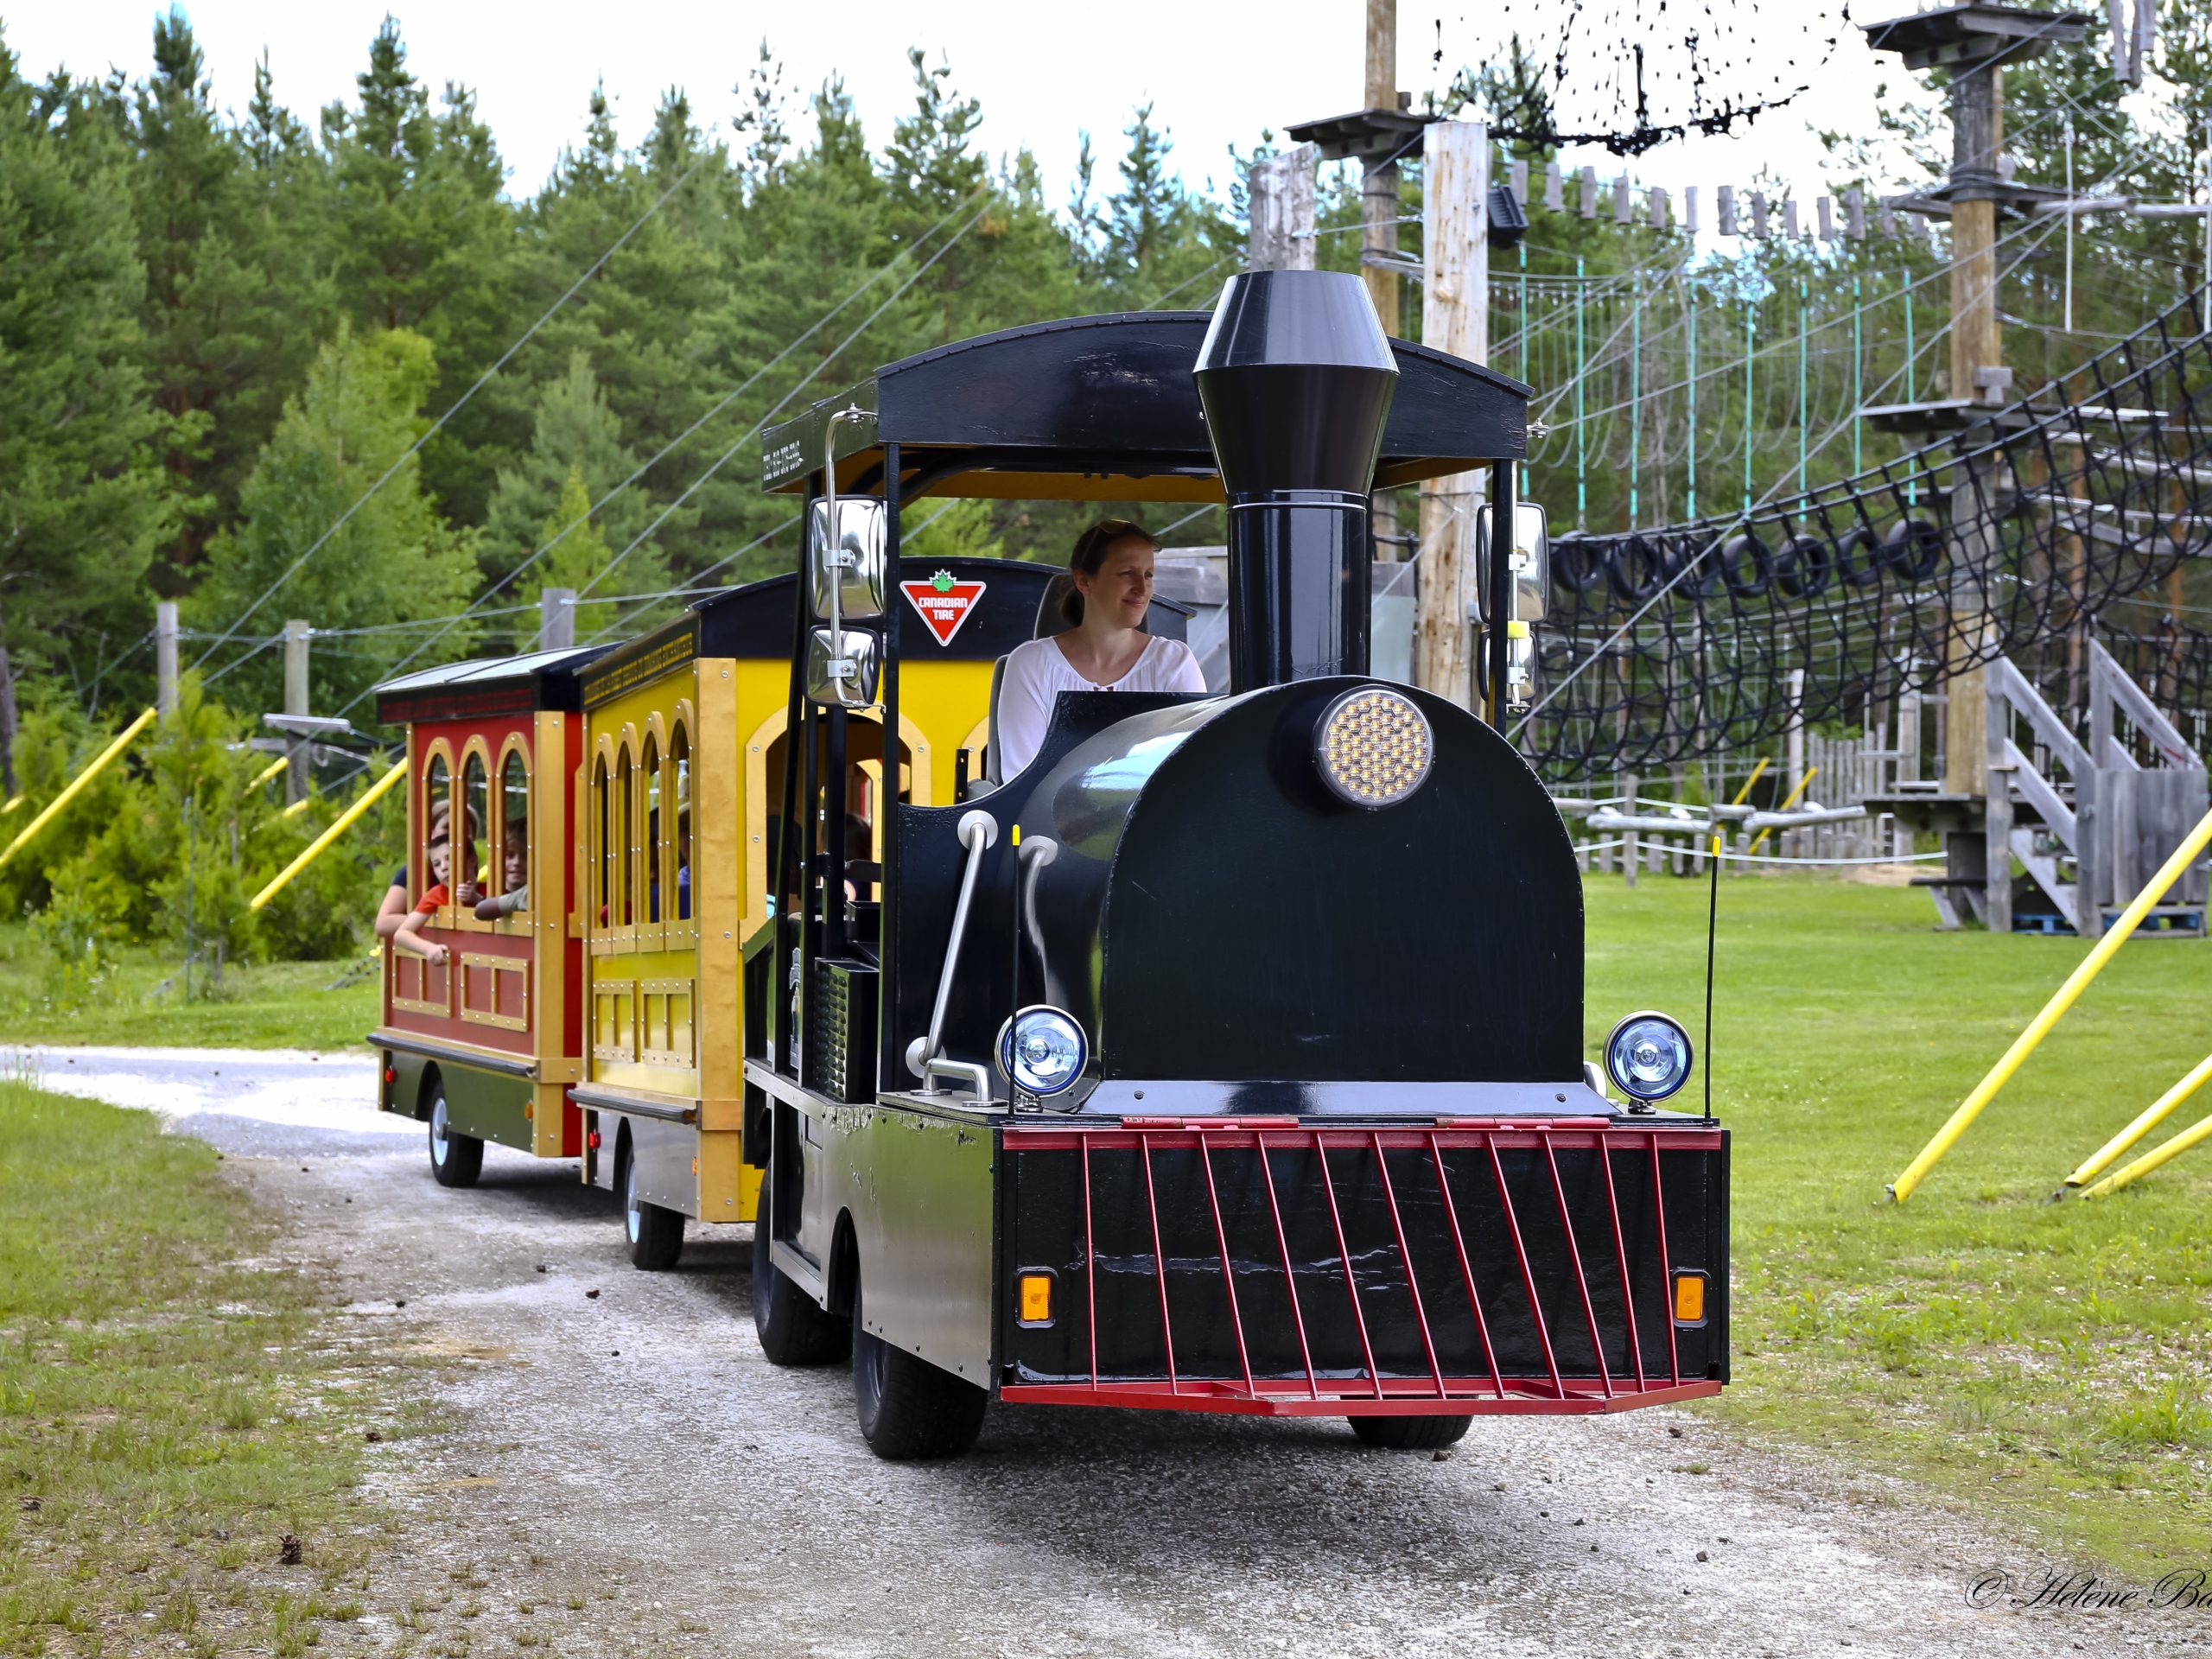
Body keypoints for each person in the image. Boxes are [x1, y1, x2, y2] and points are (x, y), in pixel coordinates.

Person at [994, 518, 1206, 778]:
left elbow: (1189, 768)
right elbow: (1021, 777)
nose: (1142, 588)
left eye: (1148, 575)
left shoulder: (1174, 663)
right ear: (1084, 581)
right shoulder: (1030, 665)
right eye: (1127, 573)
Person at [474, 817, 530, 920]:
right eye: (510, 855)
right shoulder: (483, 890)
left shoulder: (538, 895)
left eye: (526, 856)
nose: (517, 862)